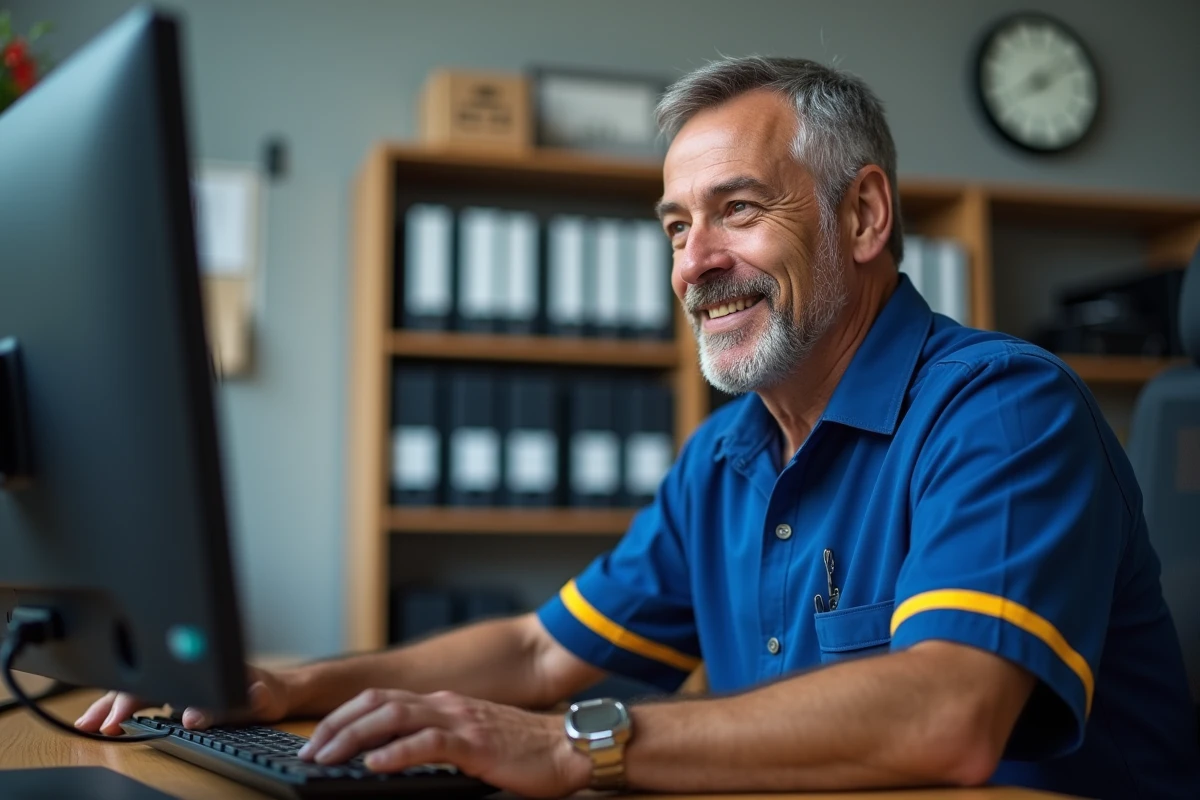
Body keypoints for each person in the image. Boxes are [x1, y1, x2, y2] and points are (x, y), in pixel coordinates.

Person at [78, 56, 1200, 799]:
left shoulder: (1001, 407)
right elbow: (537, 649)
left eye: (739, 210)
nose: (695, 262)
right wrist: (292, 686)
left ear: (864, 215)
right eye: (676, 224)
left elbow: (947, 710)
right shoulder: (730, 453)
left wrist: (574, 743)